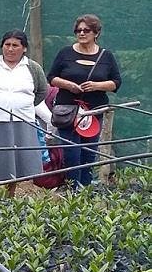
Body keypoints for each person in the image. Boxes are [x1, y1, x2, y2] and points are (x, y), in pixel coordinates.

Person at [0, 30, 51, 192]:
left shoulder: (33, 68)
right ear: (2, 46)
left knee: (18, 161)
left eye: (15, 45)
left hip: (23, 121)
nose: (10, 49)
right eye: (7, 45)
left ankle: (11, 192)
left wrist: (23, 104)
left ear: (24, 48)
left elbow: (42, 91)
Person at [49, 14, 122, 188]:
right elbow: (51, 77)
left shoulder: (106, 56)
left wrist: (97, 85)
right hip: (68, 111)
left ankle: (86, 190)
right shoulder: (65, 53)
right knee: (72, 152)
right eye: (78, 30)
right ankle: (73, 189)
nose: (81, 33)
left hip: (93, 112)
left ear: (96, 33)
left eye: (86, 30)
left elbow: (116, 82)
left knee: (89, 152)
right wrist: (68, 84)